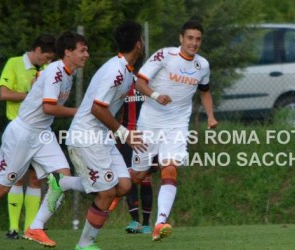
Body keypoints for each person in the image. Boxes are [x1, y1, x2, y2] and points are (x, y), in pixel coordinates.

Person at [0, 31, 89, 250]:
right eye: (82, 50)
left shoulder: (67, 73)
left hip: (42, 133)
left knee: (62, 177)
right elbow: (48, 107)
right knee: (2, 187)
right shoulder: (56, 72)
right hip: (22, 133)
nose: (87, 54)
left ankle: (36, 226)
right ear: (68, 52)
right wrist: (79, 111)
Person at [129, 19, 218, 242]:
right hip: (149, 123)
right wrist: (157, 96)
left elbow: (205, 91)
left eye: (198, 39)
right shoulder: (164, 55)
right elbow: (140, 82)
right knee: (138, 175)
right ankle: (108, 189)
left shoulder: (202, 65)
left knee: (170, 169)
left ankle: (160, 223)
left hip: (177, 125)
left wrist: (211, 116)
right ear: (181, 38)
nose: (194, 43)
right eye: (190, 38)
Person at [64, 21, 146, 250]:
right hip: (86, 137)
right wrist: (124, 133)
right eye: (143, 40)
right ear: (138, 44)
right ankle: (84, 244)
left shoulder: (127, 72)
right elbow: (97, 109)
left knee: (124, 185)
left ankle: (63, 183)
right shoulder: (116, 72)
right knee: (107, 191)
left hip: (101, 136)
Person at [0, 34, 56, 240]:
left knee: (35, 178)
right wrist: (31, 94)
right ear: (38, 50)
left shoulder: (48, 70)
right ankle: (13, 228)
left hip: (40, 131)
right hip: (17, 129)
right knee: (16, 177)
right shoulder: (14, 63)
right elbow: (4, 94)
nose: (48, 61)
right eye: (46, 56)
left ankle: (31, 228)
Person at [118, 75, 157, 235]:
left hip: (147, 137)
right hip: (126, 137)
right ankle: (135, 220)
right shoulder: (120, 83)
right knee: (130, 177)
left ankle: (147, 223)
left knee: (146, 179)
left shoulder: (151, 84)